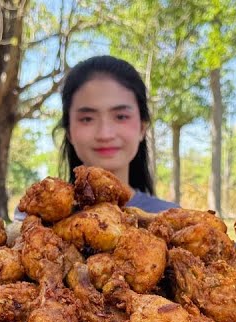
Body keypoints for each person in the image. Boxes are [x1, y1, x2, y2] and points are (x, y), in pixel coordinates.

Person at [56, 55, 176, 213]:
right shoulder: (34, 222)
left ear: (142, 127)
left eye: (121, 116)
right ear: (69, 132)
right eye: (87, 119)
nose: (105, 134)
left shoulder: (173, 220)